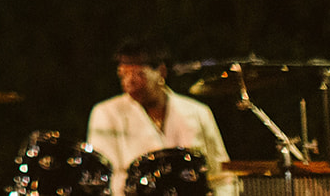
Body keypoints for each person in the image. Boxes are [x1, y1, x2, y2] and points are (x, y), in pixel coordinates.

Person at [86, 38, 237, 196]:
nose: (129, 81)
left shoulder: (197, 112)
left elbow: (222, 174)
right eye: (123, 74)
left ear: (161, 72)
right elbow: (106, 178)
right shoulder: (107, 113)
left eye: (138, 74)